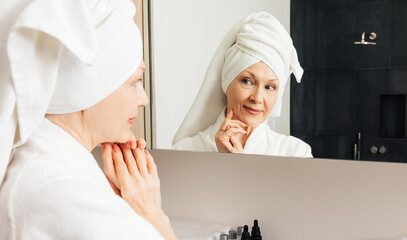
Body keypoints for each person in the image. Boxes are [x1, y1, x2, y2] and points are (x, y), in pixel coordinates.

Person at [0, 0, 176, 239]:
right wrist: (153, 214)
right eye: (135, 81)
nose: (143, 99)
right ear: (90, 88)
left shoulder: (51, 161)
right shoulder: (67, 193)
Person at [172, 12, 312, 157]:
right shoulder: (185, 150)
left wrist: (238, 165)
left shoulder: (297, 153)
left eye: (270, 87)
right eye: (247, 81)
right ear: (227, 81)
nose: (257, 98)